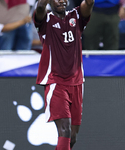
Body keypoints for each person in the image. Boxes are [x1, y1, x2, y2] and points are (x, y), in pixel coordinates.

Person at [33, 0, 94, 149]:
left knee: (72, 137)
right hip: (56, 82)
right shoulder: (45, 20)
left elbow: (90, 3)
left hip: (77, 81)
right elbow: (40, 6)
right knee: (64, 129)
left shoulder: (76, 16)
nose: (61, 1)